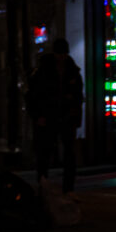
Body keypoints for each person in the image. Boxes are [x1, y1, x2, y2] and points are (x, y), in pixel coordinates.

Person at [25, 37, 84, 195]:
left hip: (64, 117)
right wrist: (38, 115)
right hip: (49, 116)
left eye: (63, 54)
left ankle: (66, 187)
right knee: (45, 152)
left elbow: (78, 96)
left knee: (67, 153)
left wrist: (74, 114)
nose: (61, 57)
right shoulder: (44, 72)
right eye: (60, 54)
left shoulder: (70, 70)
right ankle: (44, 184)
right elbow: (33, 96)